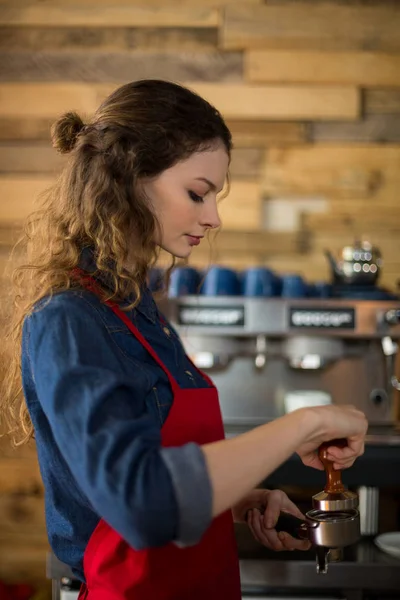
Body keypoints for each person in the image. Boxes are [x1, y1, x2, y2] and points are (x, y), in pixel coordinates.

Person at [1, 80, 368, 600]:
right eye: (197, 193)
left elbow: (157, 456)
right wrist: (305, 422)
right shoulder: (69, 319)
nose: (212, 217)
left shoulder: (137, 306)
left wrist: (242, 499)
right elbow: (142, 502)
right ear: (128, 178)